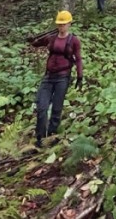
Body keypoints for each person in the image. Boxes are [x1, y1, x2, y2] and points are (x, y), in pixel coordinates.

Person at [30, 10, 83, 148]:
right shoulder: (51, 38)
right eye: (59, 24)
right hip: (48, 77)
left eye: (63, 24)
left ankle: (52, 136)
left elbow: (78, 59)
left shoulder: (74, 41)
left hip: (62, 77)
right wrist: (31, 40)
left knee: (56, 109)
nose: (61, 27)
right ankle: (40, 138)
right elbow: (37, 43)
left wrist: (79, 76)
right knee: (42, 108)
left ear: (69, 24)